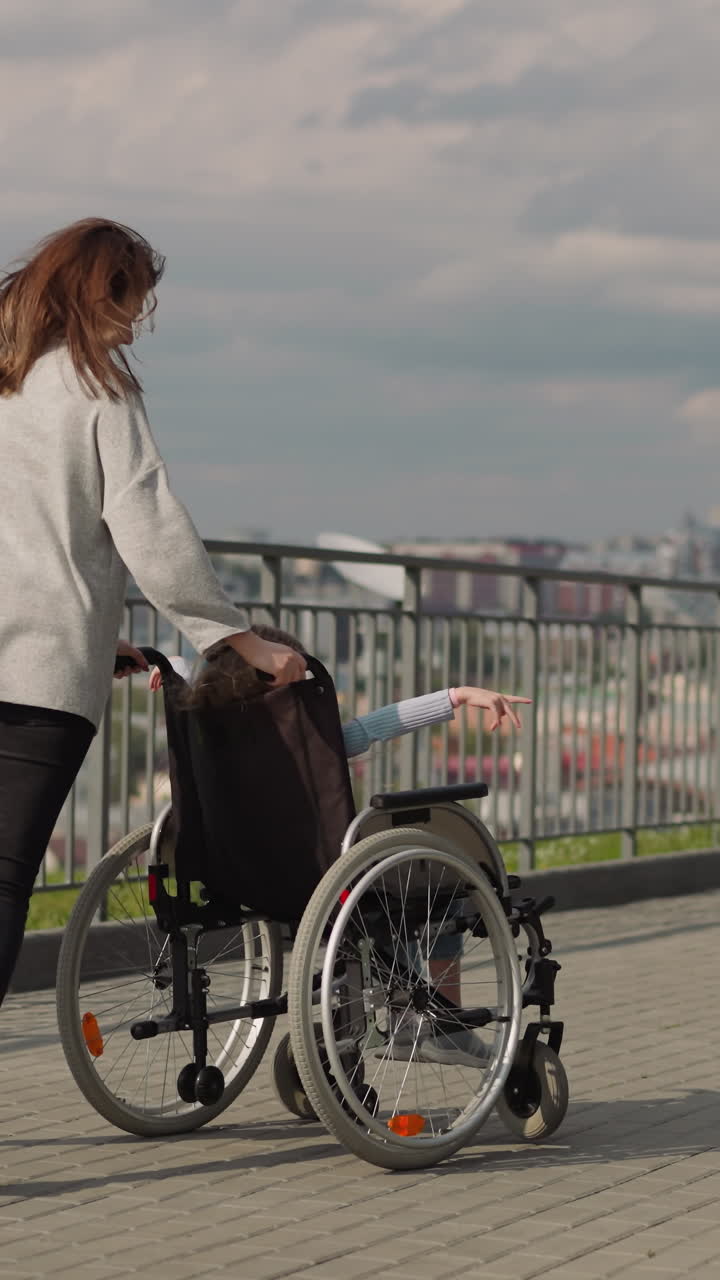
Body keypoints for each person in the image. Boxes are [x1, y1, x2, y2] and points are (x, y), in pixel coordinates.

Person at [0, 218, 305, 1007]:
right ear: (97, 289)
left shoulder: (4, 378)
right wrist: (236, 638)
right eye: (133, 298)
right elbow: (149, 525)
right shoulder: (94, 386)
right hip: (38, 683)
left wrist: (100, 642)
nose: (137, 320)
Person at [149, 624, 532, 1067]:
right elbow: (378, 725)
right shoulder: (305, 739)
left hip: (230, 879)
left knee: (389, 888)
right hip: (317, 878)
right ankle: (448, 1026)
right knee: (441, 889)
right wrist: (457, 696)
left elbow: (183, 671)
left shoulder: (202, 736)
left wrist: (169, 667)